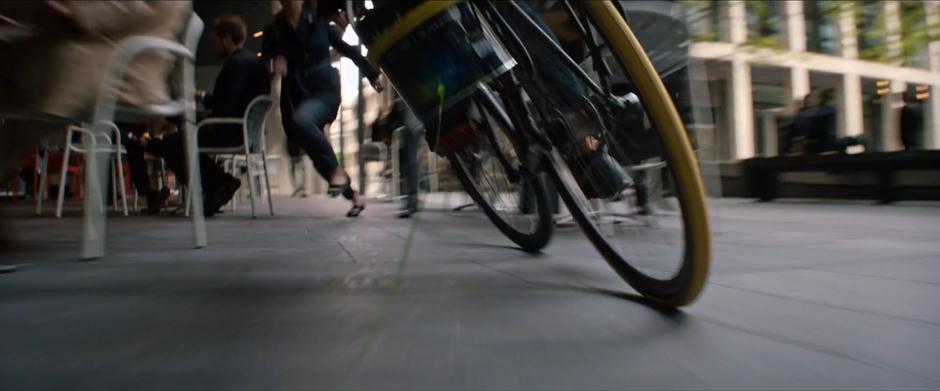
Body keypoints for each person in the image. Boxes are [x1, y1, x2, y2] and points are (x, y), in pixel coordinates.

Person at [124, 15, 270, 216]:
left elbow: (224, 107)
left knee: (174, 142)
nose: (213, 46)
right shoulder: (250, 61)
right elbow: (227, 100)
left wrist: (202, 117)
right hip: (245, 132)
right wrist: (199, 96)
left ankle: (216, 184)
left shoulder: (235, 65)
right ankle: (217, 184)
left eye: (215, 40)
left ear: (226, 38)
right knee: (179, 136)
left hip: (230, 130)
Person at [262, 0, 383, 218]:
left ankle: (337, 172)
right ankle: (354, 196)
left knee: (304, 122)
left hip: (324, 92)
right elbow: (266, 64)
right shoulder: (274, 30)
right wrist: (273, 66)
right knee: (317, 152)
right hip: (297, 97)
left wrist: (372, 74)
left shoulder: (318, 23)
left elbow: (347, 50)